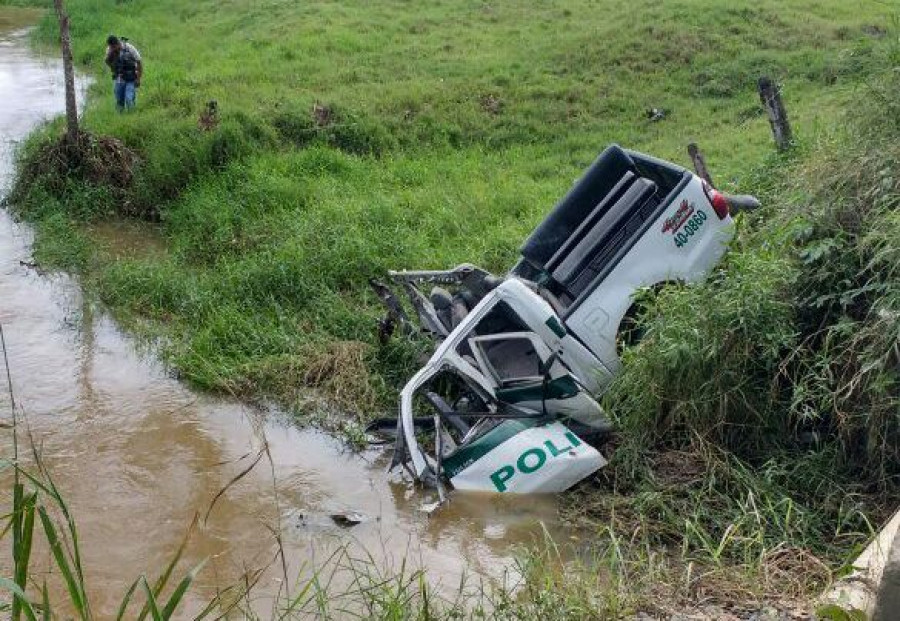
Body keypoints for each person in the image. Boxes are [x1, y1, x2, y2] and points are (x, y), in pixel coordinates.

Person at [105, 35, 142, 111]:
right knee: (119, 99)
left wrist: (138, 79)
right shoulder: (109, 50)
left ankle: (132, 116)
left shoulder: (129, 48)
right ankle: (120, 117)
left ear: (118, 43)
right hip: (119, 77)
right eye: (111, 47)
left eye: (114, 47)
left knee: (129, 99)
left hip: (131, 77)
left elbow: (139, 62)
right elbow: (107, 62)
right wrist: (111, 54)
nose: (113, 49)